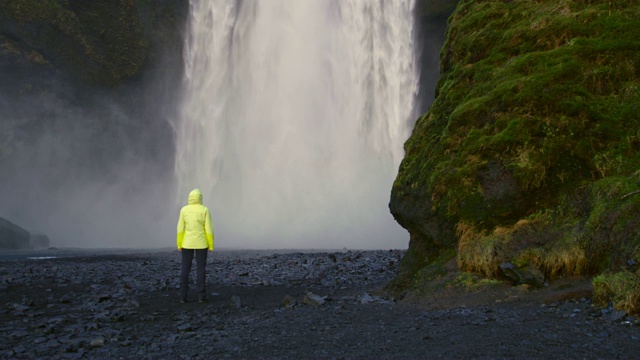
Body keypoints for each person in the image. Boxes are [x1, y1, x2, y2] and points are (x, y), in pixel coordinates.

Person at [176, 188, 214, 303]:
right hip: (202, 243)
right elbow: (209, 229)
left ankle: (183, 297)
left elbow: (180, 228)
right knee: (201, 270)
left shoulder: (184, 210)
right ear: (200, 198)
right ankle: (201, 297)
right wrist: (211, 244)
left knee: (185, 269)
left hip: (186, 243)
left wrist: (179, 243)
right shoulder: (204, 210)